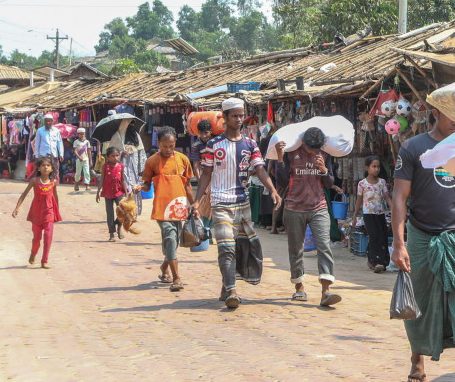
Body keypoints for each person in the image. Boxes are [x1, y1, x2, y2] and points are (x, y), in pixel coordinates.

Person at [390, 109, 455, 382]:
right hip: (421, 235)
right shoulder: (413, 147)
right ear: (436, 113)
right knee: (420, 298)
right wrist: (399, 243)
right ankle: (417, 357)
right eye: (452, 116)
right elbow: (400, 196)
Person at [195, 98, 281, 309]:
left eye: (241, 115)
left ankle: (226, 283)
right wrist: (197, 201)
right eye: (235, 115)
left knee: (242, 247)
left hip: (243, 204)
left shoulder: (250, 145)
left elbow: (260, 169)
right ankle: (232, 290)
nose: (239, 119)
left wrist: (273, 190)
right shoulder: (212, 146)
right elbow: (206, 173)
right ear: (225, 118)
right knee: (226, 247)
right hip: (220, 202)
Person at [274, 127, 342, 307]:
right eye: (312, 150)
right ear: (303, 143)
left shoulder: (326, 154)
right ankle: (299, 287)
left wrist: (324, 170)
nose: (314, 153)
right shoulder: (290, 153)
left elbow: (329, 183)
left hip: (319, 207)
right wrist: (280, 157)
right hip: (294, 207)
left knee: (324, 246)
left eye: (317, 149)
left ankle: (325, 291)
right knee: (296, 249)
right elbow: (280, 182)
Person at [137, 127, 194, 292]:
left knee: (174, 241)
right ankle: (177, 278)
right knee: (169, 237)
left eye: (171, 146)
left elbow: (188, 185)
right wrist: (139, 187)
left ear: (175, 143)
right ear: (158, 143)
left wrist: (194, 204)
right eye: (165, 146)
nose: (168, 150)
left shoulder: (183, 160)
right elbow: (147, 184)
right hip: (162, 207)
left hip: (179, 205)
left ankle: (164, 267)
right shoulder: (152, 161)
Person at [12, 156, 62, 269]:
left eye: (48, 165)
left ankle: (44, 260)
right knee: (37, 238)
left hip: (49, 213)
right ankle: (33, 253)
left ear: (51, 169)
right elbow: (24, 194)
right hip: (36, 214)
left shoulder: (53, 182)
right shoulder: (34, 181)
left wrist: (56, 211)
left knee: (48, 236)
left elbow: (55, 196)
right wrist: (17, 208)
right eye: (43, 165)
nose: (46, 167)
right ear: (38, 168)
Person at [350, 155, 392, 273]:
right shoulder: (362, 184)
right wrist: (354, 217)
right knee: (374, 237)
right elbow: (359, 200)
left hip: (380, 214)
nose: (377, 169)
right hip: (368, 215)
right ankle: (376, 262)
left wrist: (394, 209)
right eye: (374, 166)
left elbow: (387, 197)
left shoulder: (382, 182)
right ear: (367, 168)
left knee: (382, 236)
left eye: (378, 166)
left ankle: (377, 261)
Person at [96, 147, 126, 242]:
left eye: (117, 155)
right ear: (108, 157)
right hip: (108, 192)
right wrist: (98, 192)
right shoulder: (105, 166)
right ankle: (111, 233)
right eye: (113, 156)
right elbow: (102, 179)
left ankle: (119, 227)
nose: (115, 158)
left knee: (121, 211)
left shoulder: (121, 166)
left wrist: (126, 192)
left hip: (119, 191)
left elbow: (123, 180)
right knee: (110, 213)